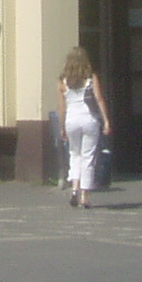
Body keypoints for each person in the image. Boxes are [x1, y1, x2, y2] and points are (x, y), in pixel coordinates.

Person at [57, 47, 112, 209]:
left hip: (71, 120)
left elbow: (62, 108)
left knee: (74, 154)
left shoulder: (62, 81)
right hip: (89, 119)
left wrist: (62, 127)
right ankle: (85, 196)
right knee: (88, 156)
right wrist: (106, 120)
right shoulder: (91, 78)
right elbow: (99, 99)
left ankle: (74, 188)